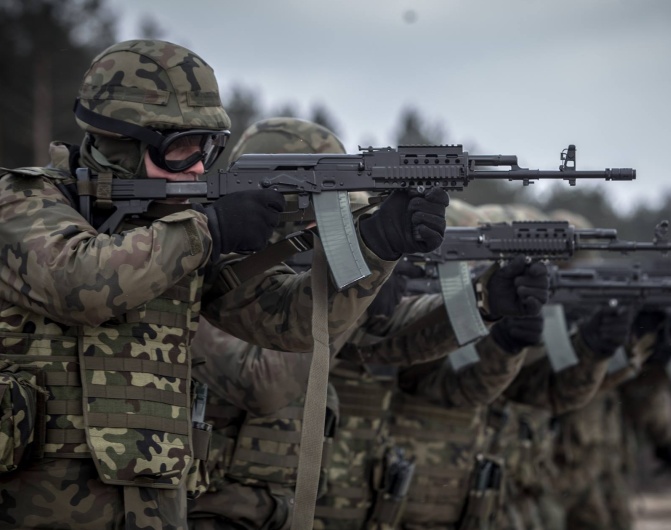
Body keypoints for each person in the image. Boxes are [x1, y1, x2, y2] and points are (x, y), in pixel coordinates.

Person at [0, 40, 449, 530]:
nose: (197, 167)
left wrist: (376, 245)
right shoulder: (20, 201)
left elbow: (291, 323)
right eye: (179, 151)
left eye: (208, 149)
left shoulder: (176, 231)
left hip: (154, 509)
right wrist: (208, 229)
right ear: (118, 141)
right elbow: (77, 282)